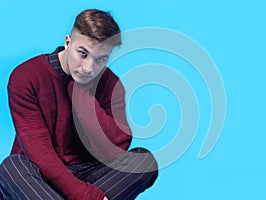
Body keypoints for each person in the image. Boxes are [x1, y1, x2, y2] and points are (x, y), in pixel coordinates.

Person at [0, 9, 158, 200]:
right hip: (38, 175)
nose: (89, 68)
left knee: (144, 160)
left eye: (101, 59)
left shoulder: (111, 84)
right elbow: (39, 152)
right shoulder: (26, 77)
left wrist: (82, 95)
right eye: (83, 54)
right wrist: (88, 196)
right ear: (68, 42)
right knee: (12, 166)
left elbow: (117, 147)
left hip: (88, 173)